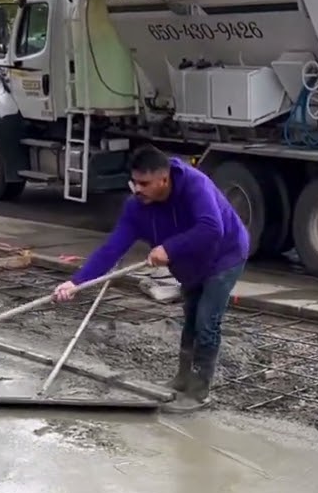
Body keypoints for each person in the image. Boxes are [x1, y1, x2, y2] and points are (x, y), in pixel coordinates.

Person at [52, 145, 250, 413]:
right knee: (191, 314)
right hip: (191, 264)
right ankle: (182, 379)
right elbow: (112, 248)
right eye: (134, 182)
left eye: (144, 183)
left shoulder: (194, 185)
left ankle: (200, 391)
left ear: (164, 179)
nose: (138, 189)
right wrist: (76, 282)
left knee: (206, 320)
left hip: (225, 255)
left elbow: (212, 228)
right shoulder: (137, 208)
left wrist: (170, 248)